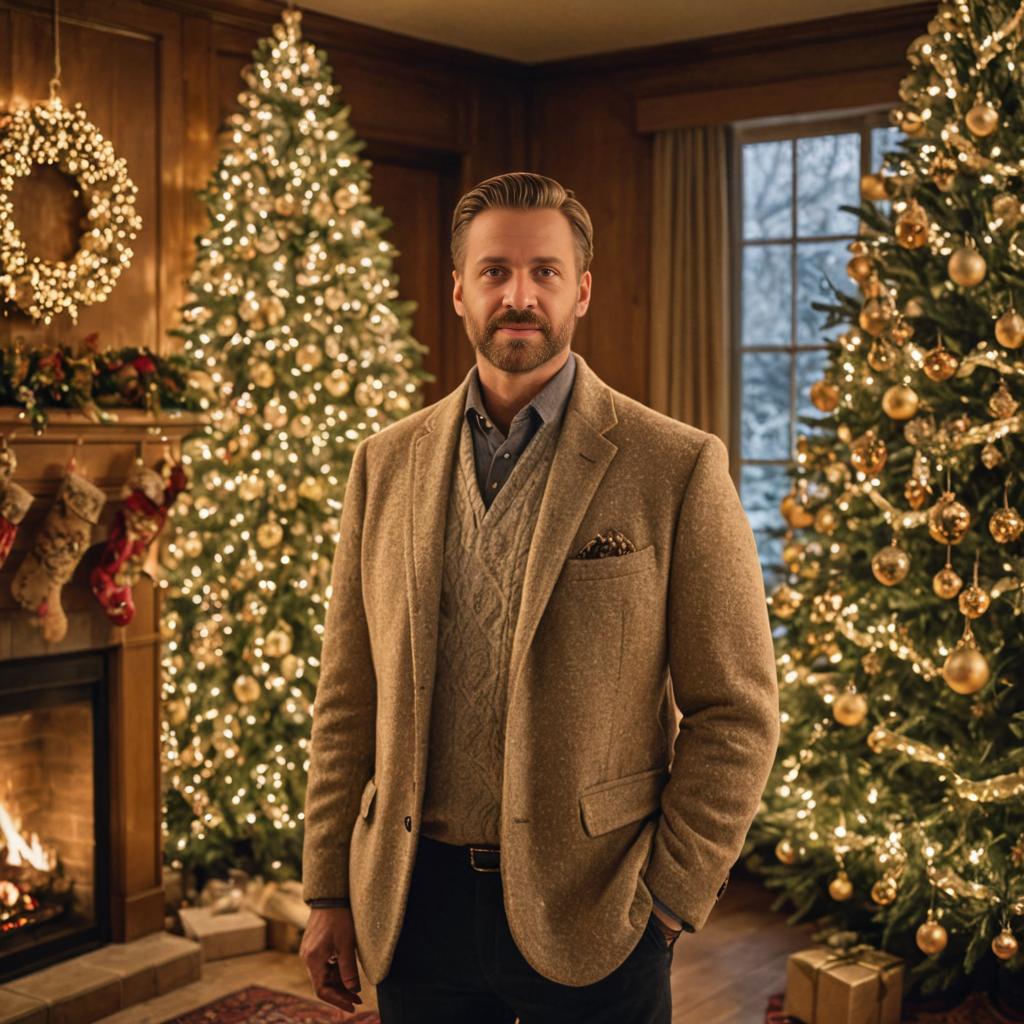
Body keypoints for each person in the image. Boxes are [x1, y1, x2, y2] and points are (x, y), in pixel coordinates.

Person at [300, 171, 780, 1023]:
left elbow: (736, 711)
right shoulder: (384, 464)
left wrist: (668, 900)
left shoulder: (674, 466)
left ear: (582, 289)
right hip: (415, 907)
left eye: (544, 272)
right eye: (494, 272)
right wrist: (328, 888)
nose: (518, 296)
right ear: (457, 289)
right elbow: (348, 695)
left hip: (599, 907)